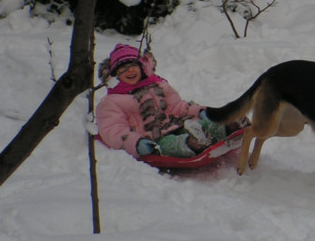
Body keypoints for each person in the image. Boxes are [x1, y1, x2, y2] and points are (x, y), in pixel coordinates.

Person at [96, 43, 228, 159]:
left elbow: (177, 106)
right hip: (151, 138)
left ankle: (224, 126)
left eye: (133, 65)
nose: (129, 70)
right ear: (114, 75)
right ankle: (195, 143)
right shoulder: (112, 101)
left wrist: (199, 111)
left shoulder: (157, 85)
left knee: (195, 124)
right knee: (170, 143)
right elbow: (113, 131)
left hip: (175, 124)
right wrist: (136, 143)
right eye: (122, 69)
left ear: (142, 67)